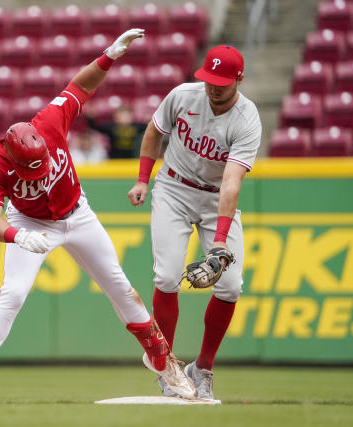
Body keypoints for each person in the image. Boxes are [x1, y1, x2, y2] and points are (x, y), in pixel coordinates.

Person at [0, 29, 196, 406]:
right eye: (30, 170)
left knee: (121, 287)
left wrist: (109, 56)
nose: (38, 173)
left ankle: (164, 364)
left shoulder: (49, 121)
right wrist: (16, 235)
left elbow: (80, 86)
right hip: (30, 224)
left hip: (77, 214)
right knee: (13, 293)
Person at [127, 45, 262, 400]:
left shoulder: (247, 119)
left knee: (230, 286)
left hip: (217, 195)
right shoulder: (183, 96)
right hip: (173, 187)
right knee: (168, 276)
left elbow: (232, 182)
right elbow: (154, 132)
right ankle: (167, 366)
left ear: (239, 79)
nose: (213, 87)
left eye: (222, 81)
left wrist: (219, 243)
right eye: (209, 79)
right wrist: (143, 178)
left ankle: (201, 368)